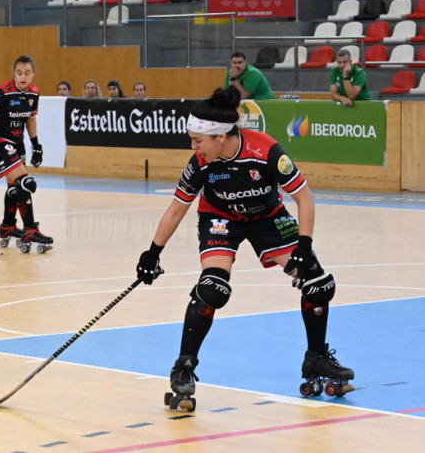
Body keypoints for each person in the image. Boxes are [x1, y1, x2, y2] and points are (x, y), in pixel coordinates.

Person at [136, 86, 354, 410]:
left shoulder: (265, 151)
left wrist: (305, 246)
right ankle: (184, 365)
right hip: (220, 218)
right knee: (213, 288)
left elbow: (304, 197)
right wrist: (152, 252)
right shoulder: (200, 163)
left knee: (318, 282)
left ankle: (316, 357)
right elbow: (176, 208)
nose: (193, 146)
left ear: (220, 137)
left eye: (198, 140)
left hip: (268, 217)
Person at [0, 55, 54, 253]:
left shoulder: (34, 93)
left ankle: (8, 226)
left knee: (15, 187)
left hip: (18, 143)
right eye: (19, 73)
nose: (23, 77)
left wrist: (36, 145)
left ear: (33, 74)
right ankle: (30, 229)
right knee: (26, 182)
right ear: (13, 74)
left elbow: (31, 119)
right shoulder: (2, 93)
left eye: (27, 73)